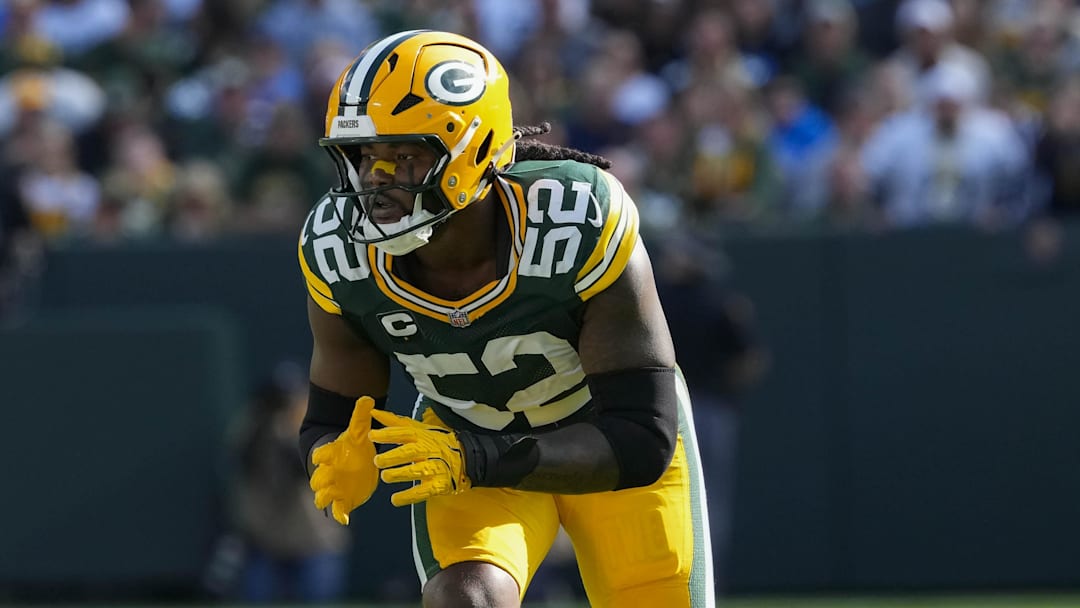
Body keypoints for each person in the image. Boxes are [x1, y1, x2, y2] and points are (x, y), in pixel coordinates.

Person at [296, 30, 714, 608]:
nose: (377, 182)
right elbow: (330, 417)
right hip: (464, 439)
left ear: (472, 149)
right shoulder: (337, 249)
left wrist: (476, 456)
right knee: (464, 601)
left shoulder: (574, 217)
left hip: (599, 439)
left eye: (404, 156)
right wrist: (330, 454)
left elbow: (641, 437)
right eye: (365, 157)